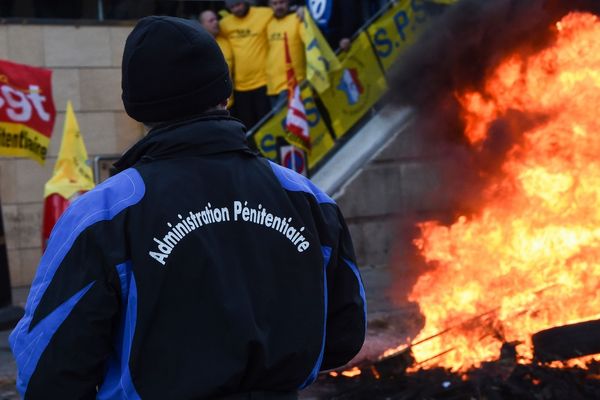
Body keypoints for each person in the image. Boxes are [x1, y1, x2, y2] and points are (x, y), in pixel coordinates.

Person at [9, 16, 366, 399]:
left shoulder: (103, 214)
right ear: (225, 92)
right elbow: (344, 335)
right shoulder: (309, 199)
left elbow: (49, 369)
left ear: (135, 106)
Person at [219, 0, 273, 129]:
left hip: (263, 82)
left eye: (239, 4)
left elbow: (283, 12)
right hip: (240, 88)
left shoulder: (265, 13)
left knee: (267, 125)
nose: (236, 9)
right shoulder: (224, 24)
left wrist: (298, 10)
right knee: (249, 127)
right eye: (232, 7)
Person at [266, 0, 306, 108]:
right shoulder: (269, 24)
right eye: (275, 4)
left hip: (292, 84)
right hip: (272, 86)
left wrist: (303, 9)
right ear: (270, 6)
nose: (279, 6)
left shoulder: (298, 19)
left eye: (282, 2)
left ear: (288, 2)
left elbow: (310, 43)